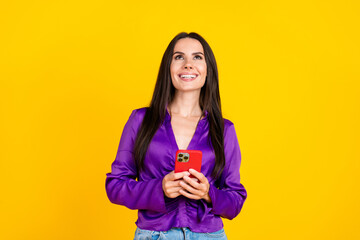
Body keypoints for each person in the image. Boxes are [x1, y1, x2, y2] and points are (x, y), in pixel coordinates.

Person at [105, 32, 247, 240]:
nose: (188, 64)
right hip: (154, 234)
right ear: (168, 69)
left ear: (208, 70)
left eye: (197, 57)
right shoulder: (141, 120)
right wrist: (158, 188)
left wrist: (208, 194)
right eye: (179, 57)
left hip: (209, 235)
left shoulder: (224, 130)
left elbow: (236, 201)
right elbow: (115, 186)